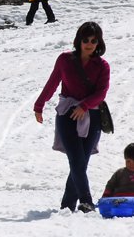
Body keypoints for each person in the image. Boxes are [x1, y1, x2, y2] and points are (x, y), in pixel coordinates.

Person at [34, 22, 109, 213]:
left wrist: (84, 106)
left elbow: (102, 92)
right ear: (79, 40)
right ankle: (86, 202)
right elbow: (52, 83)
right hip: (67, 114)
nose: (89, 44)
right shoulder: (65, 60)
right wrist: (39, 105)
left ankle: (67, 205)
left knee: (81, 162)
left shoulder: (102, 65)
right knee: (76, 159)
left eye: (94, 40)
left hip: (92, 115)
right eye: (86, 40)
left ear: (98, 42)